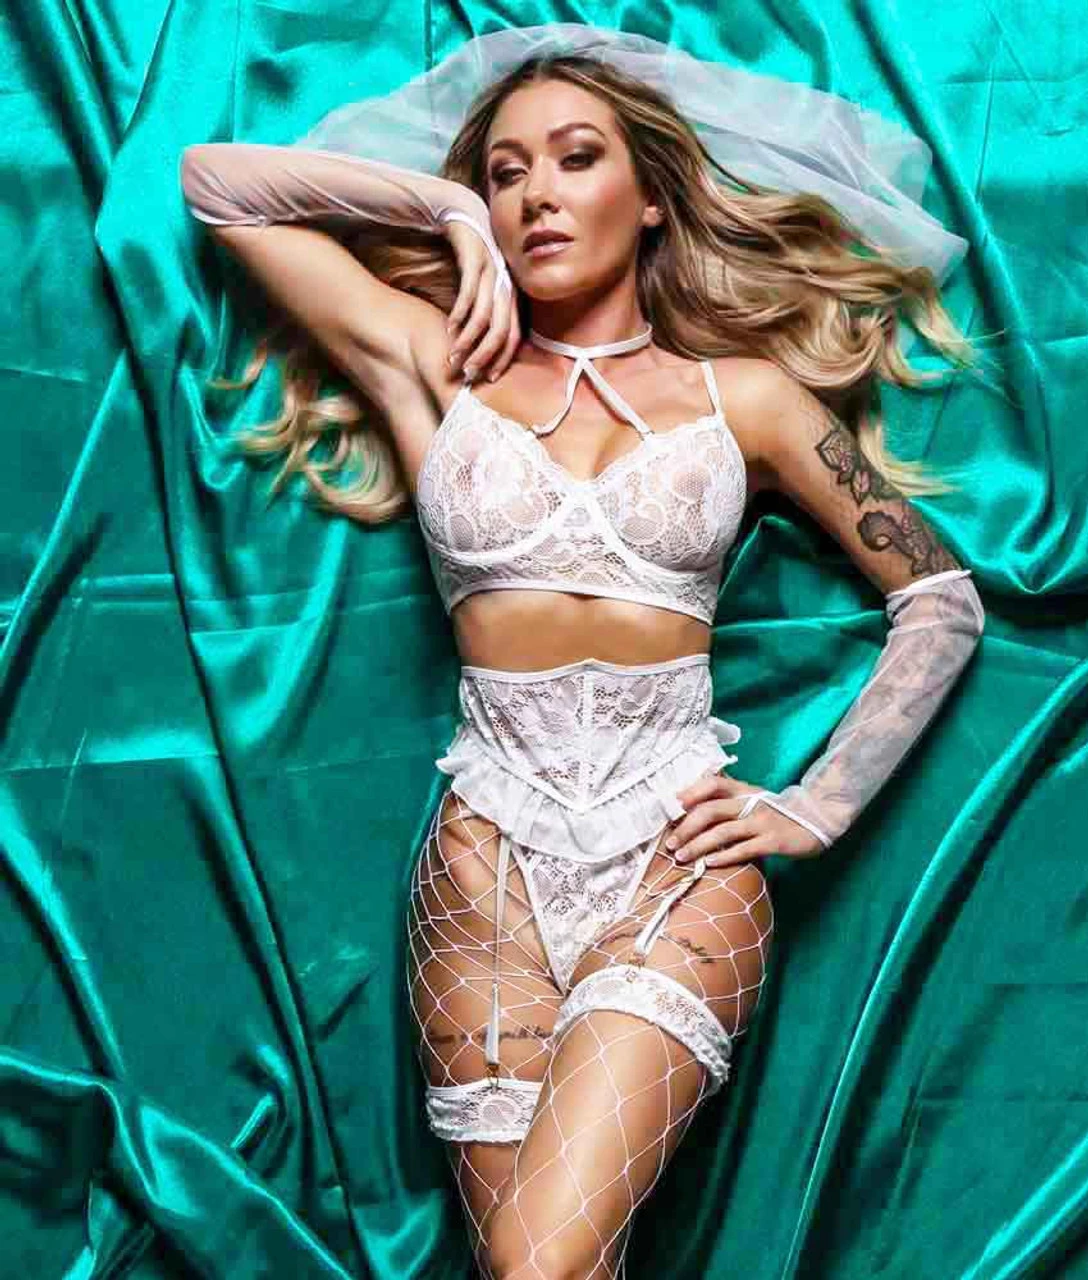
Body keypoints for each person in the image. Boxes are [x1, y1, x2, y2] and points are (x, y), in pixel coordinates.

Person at [180, 29, 985, 1280]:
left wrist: (818, 803)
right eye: (506, 172)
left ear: (649, 195)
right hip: (481, 876)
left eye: (574, 158)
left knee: (539, 1262)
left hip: (675, 863)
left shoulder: (744, 399)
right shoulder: (433, 367)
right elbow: (215, 185)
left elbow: (938, 599)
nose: (534, 195)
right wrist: (444, 210)